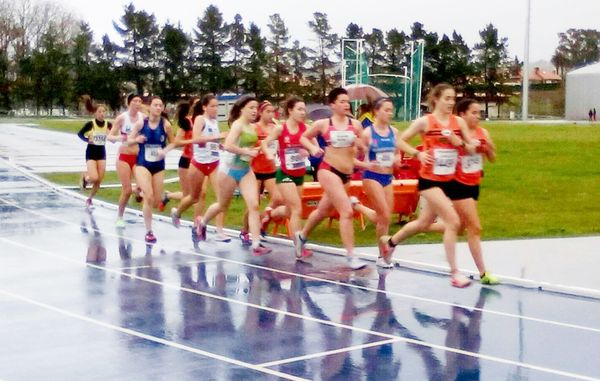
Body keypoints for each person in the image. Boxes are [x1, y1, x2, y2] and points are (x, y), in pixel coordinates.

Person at [380, 83, 477, 287]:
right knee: (453, 221)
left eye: (453, 99)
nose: (451, 103)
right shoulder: (425, 122)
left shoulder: (458, 122)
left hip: (449, 181)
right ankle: (455, 273)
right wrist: (418, 153)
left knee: (423, 224)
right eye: (447, 98)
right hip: (429, 181)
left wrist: (459, 143)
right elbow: (400, 141)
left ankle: (389, 243)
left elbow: (470, 149)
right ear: (436, 99)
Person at [297, 88, 367, 270]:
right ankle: (351, 255)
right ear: (333, 105)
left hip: (346, 174)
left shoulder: (356, 125)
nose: (346, 104)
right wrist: (313, 149)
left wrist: (360, 146)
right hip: (328, 170)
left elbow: (362, 149)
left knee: (322, 211)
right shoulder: (323, 124)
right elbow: (303, 138)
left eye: (347, 101)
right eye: (342, 101)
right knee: (347, 211)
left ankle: (302, 236)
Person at [195, 95, 272, 256]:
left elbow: (259, 143)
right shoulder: (237, 125)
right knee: (222, 206)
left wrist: (265, 151)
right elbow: (228, 145)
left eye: (255, 108)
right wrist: (245, 151)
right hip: (229, 170)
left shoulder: (253, 127)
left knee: (254, 205)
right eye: (251, 108)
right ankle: (202, 223)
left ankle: (256, 243)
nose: (254, 111)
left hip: (245, 171)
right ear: (242, 109)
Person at [445, 98, 499, 285]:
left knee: (458, 227)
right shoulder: (455, 133)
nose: (478, 116)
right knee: (475, 227)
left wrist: (487, 148)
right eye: (473, 113)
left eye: (479, 113)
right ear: (462, 114)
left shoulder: (483, 132)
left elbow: (492, 158)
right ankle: (483, 273)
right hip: (458, 184)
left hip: (474, 185)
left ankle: (413, 230)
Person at [170, 94, 229, 242]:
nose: (216, 109)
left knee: (221, 199)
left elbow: (212, 141)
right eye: (213, 106)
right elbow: (196, 139)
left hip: (214, 163)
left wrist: (219, 145)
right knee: (194, 197)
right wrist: (216, 138)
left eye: (217, 106)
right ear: (204, 107)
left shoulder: (215, 121)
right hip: (199, 164)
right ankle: (177, 212)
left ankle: (218, 230)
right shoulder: (200, 119)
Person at [261, 96, 311, 258]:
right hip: (285, 175)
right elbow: (265, 143)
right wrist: (269, 153)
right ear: (290, 110)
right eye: (299, 109)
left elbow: (314, 147)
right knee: (297, 209)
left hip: (299, 174)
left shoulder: (306, 129)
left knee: (290, 210)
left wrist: (308, 151)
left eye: (304, 109)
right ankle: (298, 244)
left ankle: (270, 215)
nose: (303, 112)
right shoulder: (281, 129)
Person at [356, 97, 400, 268]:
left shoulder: (394, 132)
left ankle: (358, 207)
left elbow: (397, 153)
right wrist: (366, 161)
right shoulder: (368, 133)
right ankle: (383, 255)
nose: (390, 113)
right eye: (386, 110)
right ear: (376, 111)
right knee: (385, 216)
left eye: (391, 110)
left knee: (385, 219)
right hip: (371, 176)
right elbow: (357, 156)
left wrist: (396, 160)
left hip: (388, 177)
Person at [128, 96, 176, 243]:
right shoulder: (141, 123)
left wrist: (165, 151)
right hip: (143, 163)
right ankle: (149, 231)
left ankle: (138, 191)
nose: (158, 108)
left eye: (160, 105)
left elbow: (174, 143)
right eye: (155, 105)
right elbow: (129, 141)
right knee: (148, 196)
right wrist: (136, 140)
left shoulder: (166, 125)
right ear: (149, 107)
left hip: (158, 165)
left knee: (156, 201)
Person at [240, 100, 284, 241]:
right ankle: (245, 230)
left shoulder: (275, 127)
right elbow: (247, 145)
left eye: (273, 112)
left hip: (270, 169)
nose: (271, 114)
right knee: (254, 204)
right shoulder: (254, 128)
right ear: (260, 112)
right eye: (268, 112)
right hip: (255, 170)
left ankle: (263, 219)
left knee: (278, 198)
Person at [108, 93, 144, 228]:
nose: (138, 103)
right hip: (123, 157)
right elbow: (110, 137)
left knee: (141, 187)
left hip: (138, 157)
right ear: (129, 103)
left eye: (140, 101)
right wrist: (120, 138)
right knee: (127, 190)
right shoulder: (122, 118)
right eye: (135, 101)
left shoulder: (143, 118)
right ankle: (120, 216)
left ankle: (138, 193)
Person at [158, 101, 193, 211]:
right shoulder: (186, 123)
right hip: (186, 161)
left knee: (198, 194)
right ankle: (169, 197)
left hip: (198, 161)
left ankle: (168, 197)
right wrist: (193, 141)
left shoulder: (202, 122)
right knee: (189, 195)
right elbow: (176, 142)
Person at [78, 96, 112, 209]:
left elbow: (114, 135)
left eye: (103, 111)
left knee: (99, 181)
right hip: (91, 153)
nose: (102, 114)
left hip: (102, 153)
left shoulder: (108, 124)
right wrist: (88, 140)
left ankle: (89, 199)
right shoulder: (91, 124)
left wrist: (112, 135)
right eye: (100, 111)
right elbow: (80, 134)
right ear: (95, 113)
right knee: (94, 177)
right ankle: (85, 178)